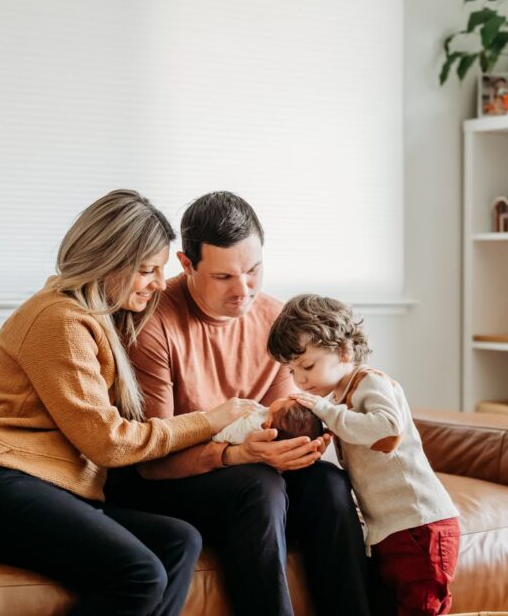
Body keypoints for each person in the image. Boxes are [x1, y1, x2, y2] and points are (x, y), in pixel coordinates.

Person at [0, 189, 258, 616]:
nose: (159, 284)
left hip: (59, 492)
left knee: (180, 541)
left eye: (160, 270)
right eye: (147, 270)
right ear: (107, 262)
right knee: (140, 572)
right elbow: (108, 442)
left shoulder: (102, 321)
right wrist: (209, 420)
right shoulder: (59, 319)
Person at [106, 191, 372, 616]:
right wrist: (236, 454)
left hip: (250, 471)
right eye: (224, 277)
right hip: (162, 481)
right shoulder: (151, 325)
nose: (243, 290)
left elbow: (290, 417)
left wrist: (301, 447)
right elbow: (150, 459)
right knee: (258, 487)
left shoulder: (280, 321)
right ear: (187, 264)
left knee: (328, 485)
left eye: (253, 270)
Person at [268, 294, 461, 616]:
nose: (299, 380)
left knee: (421, 608)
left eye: (307, 366)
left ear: (344, 351)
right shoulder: (341, 398)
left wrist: (325, 410)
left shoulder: (370, 381)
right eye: (291, 371)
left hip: (420, 524)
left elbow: (387, 431)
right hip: (390, 530)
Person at [213, 396, 325, 445]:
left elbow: (226, 435)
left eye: (285, 400)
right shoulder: (269, 416)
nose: (287, 397)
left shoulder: (251, 425)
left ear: (267, 425)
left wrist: (214, 436)